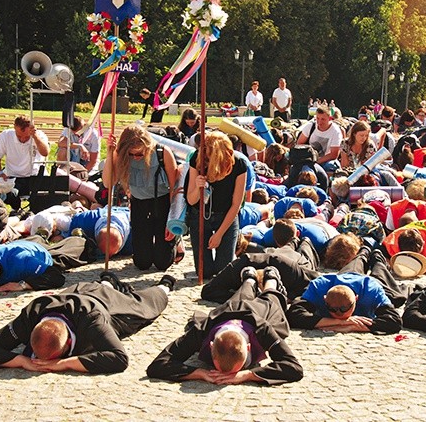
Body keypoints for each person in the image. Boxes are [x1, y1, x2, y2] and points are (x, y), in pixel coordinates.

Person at [0, 273, 171, 374]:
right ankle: (107, 282)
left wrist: (63, 363)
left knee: (147, 307)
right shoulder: (31, 315)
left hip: (105, 306)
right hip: (78, 292)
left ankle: (165, 285)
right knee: (98, 286)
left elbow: (119, 358)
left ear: (67, 344)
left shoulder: (92, 322)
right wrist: (22, 361)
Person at [147, 267, 303, 385]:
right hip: (228, 311)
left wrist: (248, 374)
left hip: (260, 314)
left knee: (272, 298)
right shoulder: (201, 332)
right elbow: (157, 365)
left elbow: (294, 367)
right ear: (211, 344)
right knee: (240, 296)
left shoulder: (263, 330)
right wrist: (198, 372)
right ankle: (250, 279)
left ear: (248, 347)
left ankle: (270, 279)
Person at [102, 125, 178, 270]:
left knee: (163, 263)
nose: (136, 157)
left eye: (140, 154)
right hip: (139, 204)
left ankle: (175, 245)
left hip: (162, 203)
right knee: (142, 263)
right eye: (132, 154)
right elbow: (108, 182)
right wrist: (110, 154)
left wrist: (172, 220)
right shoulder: (122, 155)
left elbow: (174, 188)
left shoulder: (162, 152)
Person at [286, 245, 404, 334]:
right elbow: (294, 314)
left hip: (367, 281)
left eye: (344, 309)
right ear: (324, 298)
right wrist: (341, 322)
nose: (338, 314)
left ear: (356, 299)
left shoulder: (371, 289)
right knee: (355, 263)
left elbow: (394, 321)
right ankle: (363, 252)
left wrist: (354, 326)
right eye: (332, 309)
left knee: (380, 271)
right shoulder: (318, 286)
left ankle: (375, 255)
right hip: (341, 276)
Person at [186, 131, 247, 280]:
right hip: (200, 214)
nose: (207, 161)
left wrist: (219, 234)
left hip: (226, 215)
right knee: (204, 272)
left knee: (223, 272)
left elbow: (236, 204)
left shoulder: (239, 164)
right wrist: (197, 187)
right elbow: (191, 200)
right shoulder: (197, 159)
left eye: (210, 158)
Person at [0, 115, 50, 210]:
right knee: (9, 195)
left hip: (35, 176)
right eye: (19, 136)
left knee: (40, 203)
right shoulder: (6, 135)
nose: (22, 139)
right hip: (13, 177)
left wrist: (35, 137)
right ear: (14, 128)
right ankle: (16, 210)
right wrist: (0, 173)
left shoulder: (39, 135)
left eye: (26, 137)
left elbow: (45, 152)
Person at [67, 206, 133, 257]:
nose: (109, 257)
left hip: (126, 212)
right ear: (96, 236)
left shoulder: (134, 240)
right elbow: (74, 222)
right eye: (104, 253)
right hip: (104, 211)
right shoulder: (84, 221)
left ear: (122, 236)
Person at [296, 106, 343, 172]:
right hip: (309, 159)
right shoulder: (310, 126)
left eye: (323, 119)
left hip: (326, 161)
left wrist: (316, 162)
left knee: (331, 166)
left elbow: (334, 154)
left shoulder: (336, 131)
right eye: (317, 118)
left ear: (330, 118)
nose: (319, 122)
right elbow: (299, 144)